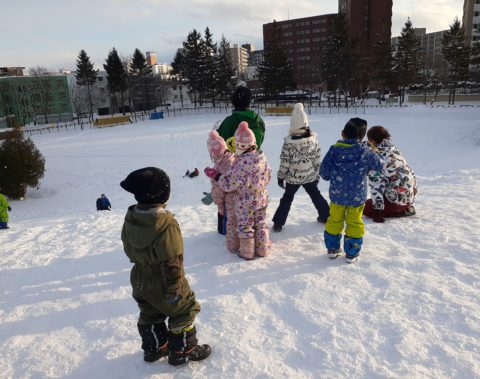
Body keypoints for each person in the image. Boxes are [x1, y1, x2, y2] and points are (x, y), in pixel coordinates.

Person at [120, 167, 211, 366]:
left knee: (150, 311)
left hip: (139, 279)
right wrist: (175, 290)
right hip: (164, 280)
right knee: (184, 310)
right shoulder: (166, 224)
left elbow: (128, 249)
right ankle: (182, 350)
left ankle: (154, 348)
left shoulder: (131, 218)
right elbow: (172, 260)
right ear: (162, 194)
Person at [320, 118, 383, 263]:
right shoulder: (366, 151)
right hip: (357, 196)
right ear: (362, 137)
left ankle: (332, 249)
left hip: (337, 195)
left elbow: (324, 173)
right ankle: (351, 252)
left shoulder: (334, 150)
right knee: (355, 223)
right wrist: (374, 151)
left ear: (343, 133)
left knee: (334, 220)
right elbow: (379, 166)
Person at [217, 122, 272, 260]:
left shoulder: (239, 163)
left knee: (245, 225)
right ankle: (263, 248)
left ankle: (247, 252)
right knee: (261, 222)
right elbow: (269, 174)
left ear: (239, 145)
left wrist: (218, 177)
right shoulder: (262, 158)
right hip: (261, 197)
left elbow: (229, 184)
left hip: (244, 201)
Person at [272, 103, 329, 232]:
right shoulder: (313, 140)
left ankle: (278, 223)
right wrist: (316, 173)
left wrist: (280, 177)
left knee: (287, 198)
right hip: (309, 176)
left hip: (293, 178)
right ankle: (326, 215)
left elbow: (285, 162)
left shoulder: (289, 143)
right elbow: (316, 159)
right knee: (316, 195)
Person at [363, 125, 417, 222]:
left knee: (366, 206)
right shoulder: (394, 149)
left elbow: (376, 185)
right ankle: (404, 207)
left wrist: (377, 212)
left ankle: (395, 211)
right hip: (408, 198)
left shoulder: (376, 158)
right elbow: (411, 172)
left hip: (395, 201)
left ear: (372, 141)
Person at [204, 130, 236, 240]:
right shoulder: (231, 157)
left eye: (214, 154)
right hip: (235, 201)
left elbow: (222, 188)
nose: (213, 156)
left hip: (228, 203)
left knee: (225, 230)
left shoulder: (220, 165)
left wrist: (213, 196)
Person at [216, 86, 266, 150]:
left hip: (234, 159)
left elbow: (220, 146)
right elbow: (260, 141)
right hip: (255, 158)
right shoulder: (258, 120)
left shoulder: (228, 122)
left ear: (234, 102)